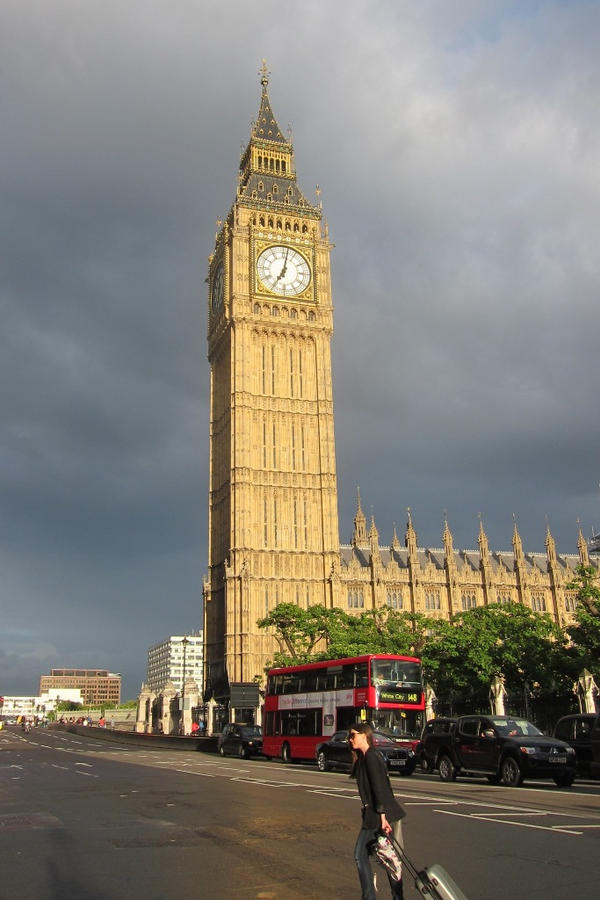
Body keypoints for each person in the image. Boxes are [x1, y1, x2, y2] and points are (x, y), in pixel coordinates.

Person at [349, 722, 406, 900]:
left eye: (353, 735)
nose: (350, 739)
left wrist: (383, 818)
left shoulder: (371, 757)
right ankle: (396, 897)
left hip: (379, 816)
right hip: (377, 814)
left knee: (361, 854)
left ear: (364, 735)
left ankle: (370, 896)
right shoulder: (363, 759)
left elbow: (379, 788)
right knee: (389, 859)